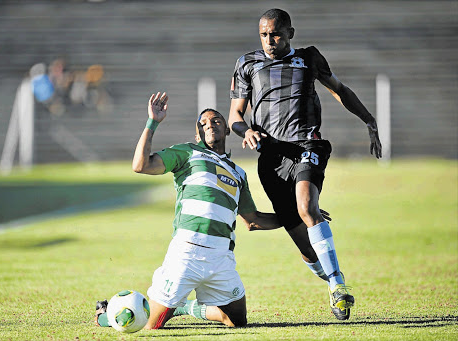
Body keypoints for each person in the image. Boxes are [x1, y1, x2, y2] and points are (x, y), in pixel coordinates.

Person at [228, 8, 382, 321]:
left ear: (290, 34)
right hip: (271, 158)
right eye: (264, 35)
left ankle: (339, 286)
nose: (270, 41)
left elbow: (339, 89)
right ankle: (332, 283)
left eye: (276, 34)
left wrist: (369, 119)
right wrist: (247, 132)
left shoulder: (309, 57)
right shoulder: (247, 63)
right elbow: (235, 117)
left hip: (307, 145)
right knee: (306, 247)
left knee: (307, 207)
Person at [94, 92, 285, 329]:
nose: (210, 125)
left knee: (237, 321)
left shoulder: (239, 173)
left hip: (221, 258)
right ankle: (108, 313)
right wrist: (152, 123)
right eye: (203, 123)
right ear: (197, 134)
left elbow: (253, 220)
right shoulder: (187, 152)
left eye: (216, 121)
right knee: (149, 326)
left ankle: (185, 307)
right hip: (187, 254)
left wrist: (296, 217)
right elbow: (140, 165)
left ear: (227, 130)